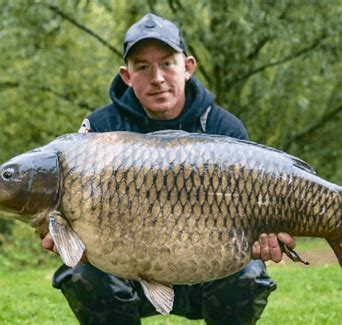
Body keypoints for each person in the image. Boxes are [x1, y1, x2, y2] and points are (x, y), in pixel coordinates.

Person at [42, 13, 296, 325]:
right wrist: (66, 235)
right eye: (143, 67)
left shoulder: (222, 126)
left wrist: (263, 237)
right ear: (126, 75)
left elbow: (255, 209)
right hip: (124, 270)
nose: (157, 77)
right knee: (79, 272)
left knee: (248, 275)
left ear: (187, 67)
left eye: (166, 63)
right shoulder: (99, 129)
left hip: (205, 266)